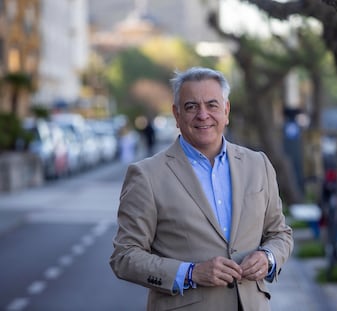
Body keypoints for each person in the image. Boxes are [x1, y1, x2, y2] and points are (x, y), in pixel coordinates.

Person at [110, 67, 293, 311]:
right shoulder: (147, 176)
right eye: (191, 106)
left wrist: (268, 258)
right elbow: (124, 257)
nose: (203, 114)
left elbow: (280, 234)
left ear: (226, 111)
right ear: (176, 114)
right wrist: (191, 273)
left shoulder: (258, 164)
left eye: (212, 105)